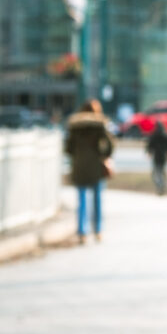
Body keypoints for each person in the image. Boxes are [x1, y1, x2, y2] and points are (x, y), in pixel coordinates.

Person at [65, 99, 115, 244]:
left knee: (81, 201)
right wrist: (104, 155)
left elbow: (68, 148)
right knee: (97, 200)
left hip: (80, 167)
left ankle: (82, 232)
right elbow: (110, 145)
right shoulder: (99, 125)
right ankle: (98, 230)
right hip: (96, 167)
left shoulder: (75, 126)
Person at [145, 121, 167, 195]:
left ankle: (160, 186)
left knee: (156, 173)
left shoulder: (154, 135)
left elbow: (149, 145)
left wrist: (149, 152)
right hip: (162, 157)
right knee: (161, 172)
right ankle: (162, 186)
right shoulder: (165, 135)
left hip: (157, 156)